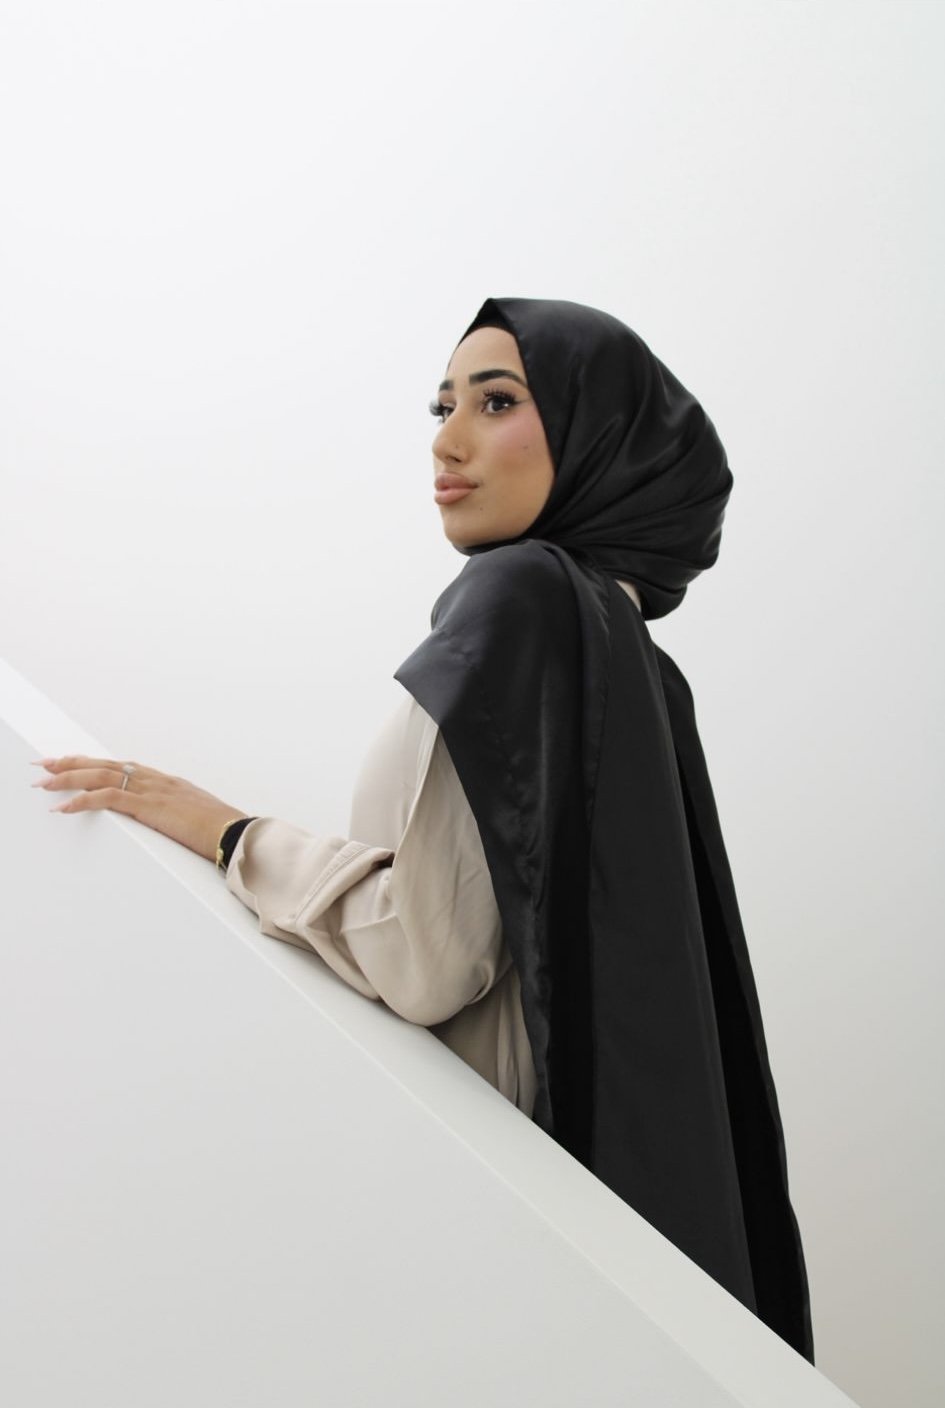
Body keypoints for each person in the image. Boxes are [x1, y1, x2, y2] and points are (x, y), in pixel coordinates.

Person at [30, 296, 814, 1363]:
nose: (446, 440)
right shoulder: (632, 656)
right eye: (442, 405)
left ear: (598, 433)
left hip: (483, 1231)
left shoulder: (523, 597)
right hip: (567, 1248)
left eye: (498, 401)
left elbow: (427, 954)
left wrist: (222, 830)